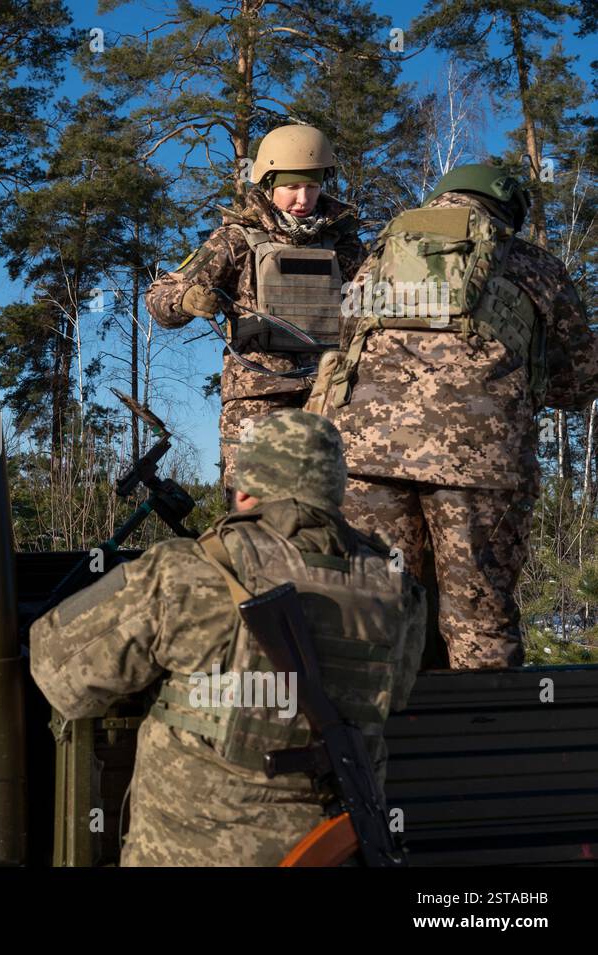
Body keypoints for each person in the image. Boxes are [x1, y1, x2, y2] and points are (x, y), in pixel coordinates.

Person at [29, 411, 425, 866]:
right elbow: (392, 696)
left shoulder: (185, 572)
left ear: (242, 490)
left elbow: (57, 671)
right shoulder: (397, 588)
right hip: (335, 850)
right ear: (335, 491)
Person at [317, 163, 598, 669]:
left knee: (372, 608)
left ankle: (362, 742)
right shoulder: (532, 262)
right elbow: (581, 377)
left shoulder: (380, 255)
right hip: (480, 463)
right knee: (479, 617)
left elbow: (346, 338)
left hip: (365, 456)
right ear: (505, 207)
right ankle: (483, 735)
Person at [145, 125, 364, 490]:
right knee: (254, 510)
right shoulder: (236, 240)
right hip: (258, 398)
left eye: (311, 186)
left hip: (331, 393)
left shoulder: (344, 244)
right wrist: (183, 301)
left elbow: (377, 301)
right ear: (268, 183)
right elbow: (159, 295)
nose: (303, 198)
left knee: (336, 510)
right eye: (292, 187)